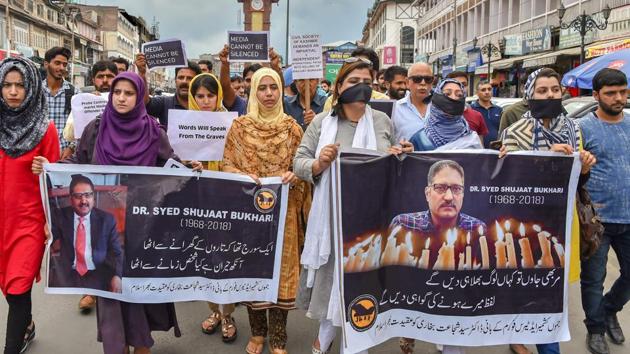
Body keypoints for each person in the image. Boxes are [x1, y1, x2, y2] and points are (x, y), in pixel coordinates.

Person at [32, 72, 198, 354]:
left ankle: (141, 345)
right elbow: (77, 161)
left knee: (138, 288)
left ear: (139, 97)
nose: (121, 98)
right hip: (105, 227)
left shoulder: (153, 131)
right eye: (117, 92)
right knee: (110, 289)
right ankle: (117, 344)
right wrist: (51, 166)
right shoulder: (96, 129)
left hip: (144, 226)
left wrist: (188, 167)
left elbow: (170, 166)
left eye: (129, 93)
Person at [295, 58, 412, 354]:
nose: (361, 87)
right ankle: (325, 335)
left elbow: (392, 165)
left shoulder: (382, 122)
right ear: (338, 88)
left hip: (370, 220)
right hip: (331, 218)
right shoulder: (322, 124)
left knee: (363, 280)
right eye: (353, 81)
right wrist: (320, 162)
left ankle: (356, 342)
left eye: (367, 82)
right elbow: (298, 163)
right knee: (332, 278)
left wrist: (402, 155)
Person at [500, 67, 597, 354]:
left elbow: (576, 181)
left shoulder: (573, 129)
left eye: (555, 90)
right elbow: (509, 181)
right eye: (542, 91)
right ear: (529, 96)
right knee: (524, 285)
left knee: (550, 290)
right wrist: (544, 159)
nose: (550, 95)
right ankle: (518, 335)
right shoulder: (515, 132)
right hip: (525, 225)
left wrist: (584, 167)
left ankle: (544, 344)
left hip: (562, 222)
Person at [220, 68, 311, 354]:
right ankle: (258, 334)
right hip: (250, 215)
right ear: (253, 91)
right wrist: (242, 176)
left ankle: (279, 336)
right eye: (263, 88)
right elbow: (227, 164)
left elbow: (303, 168)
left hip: (283, 214)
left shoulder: (293, 128)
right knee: (253, 270)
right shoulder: (239, 127)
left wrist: (295, 176)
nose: (269, 94)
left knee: (282, 273)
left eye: (274, 87)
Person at [1, 56, 60, 354]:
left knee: (18, 286)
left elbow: (58, 178)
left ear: (31, 88)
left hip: (29, 222)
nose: (13, 92)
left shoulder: (44, 129)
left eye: (20, 85)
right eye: (7, 85)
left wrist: (47, 166)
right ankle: (26, 325)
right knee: (8, 288)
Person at [577, 68, 630, 354]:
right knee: (593, 279)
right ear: (596, 95)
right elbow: (573, 173)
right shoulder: (582, 128)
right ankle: (595, 328)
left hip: (629, 216)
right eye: (611, 93)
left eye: (623, 91)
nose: (619, 98)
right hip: (595, 220)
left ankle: (610, 308)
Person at [186, 72, 238, 342]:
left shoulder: (232, 124)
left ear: (219, 95)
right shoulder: (183, 125)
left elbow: (238, 158)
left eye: (210, 95)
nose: (205, 101)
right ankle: (213, 311)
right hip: (196, 205)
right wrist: (191, 165)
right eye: (200, 96)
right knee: (204, 260)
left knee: (224, 260)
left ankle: (227, 313)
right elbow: (176, 163)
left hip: (225, 203)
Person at [49, 175, 123, 293]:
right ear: (71, 199)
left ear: (93, 198)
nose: (84, 201)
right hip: (68, 274)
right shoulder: (60, 216)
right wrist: (45, 229)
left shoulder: (107, 220)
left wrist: (117, 276)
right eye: (78, 196)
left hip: (98, 273)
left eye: (88, 195)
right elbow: (49, 238)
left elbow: (117, 253)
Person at [62, 60, 118, 156]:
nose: (105, 80)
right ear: (93, 80)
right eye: (100, 76)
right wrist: (87, 106)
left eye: (109, 76)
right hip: (89, 158)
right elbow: (69, 135)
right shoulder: (84, 102)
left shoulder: (124, 102)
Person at [409, 79, 482, 151]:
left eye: (459, 95)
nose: (454, 98)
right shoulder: (420, 139)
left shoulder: (471, 137)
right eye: (447, 94)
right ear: (436, 98)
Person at [137, 54, 202, 128]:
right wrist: (142, 73)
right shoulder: (164, 103)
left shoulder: (205, 105)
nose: (184, 81)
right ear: (175, 80)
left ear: (197, 81)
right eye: (181, 77)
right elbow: (144, 104)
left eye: (189, 78)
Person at [322, 48, 389, 112]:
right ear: (339, 87)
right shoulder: (332, 101)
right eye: (353, 81)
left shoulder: (384, 101)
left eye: (363, 65)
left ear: (374, 74)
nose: (357, 68)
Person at [43, 47, 78, 156]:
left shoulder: (74, 93)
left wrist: (71, 148)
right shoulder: (35, 92)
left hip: (65, 157)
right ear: (46, 64)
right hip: (40, 156)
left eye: (64, 64)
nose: (61, 68)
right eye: (57, 63)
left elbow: (81, 128)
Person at [392, 62, 433, 142]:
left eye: (428, 79)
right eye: (417, 79)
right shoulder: (395, 109)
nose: (423, 83)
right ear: (407, 82)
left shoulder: (443, 107)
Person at [446, 71, 488, 144]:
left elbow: (480, 148)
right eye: (456, 84)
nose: (461, 88)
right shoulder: (436, 116)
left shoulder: (477, 116)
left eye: (464, 84)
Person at [470, 80, 503, 148]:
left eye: (489, 89)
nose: (487, 92)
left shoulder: (499, 110)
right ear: (477, 93)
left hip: (496, 150)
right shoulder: (471, 109)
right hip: (477, 150)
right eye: (483, 90)